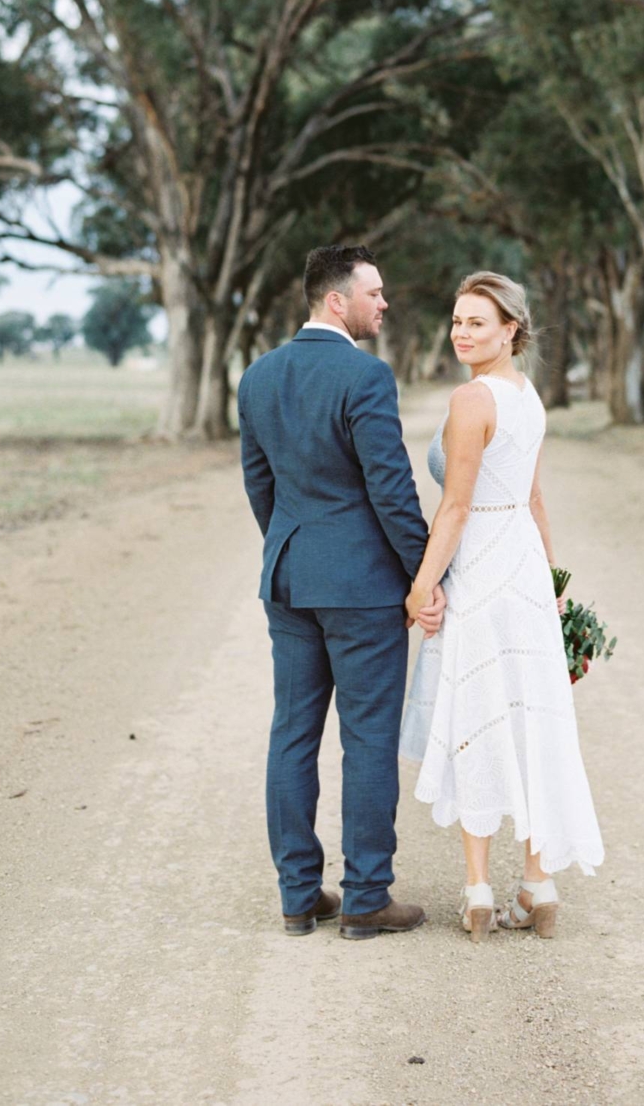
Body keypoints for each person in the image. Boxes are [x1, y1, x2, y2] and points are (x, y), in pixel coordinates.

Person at [238, 245, 446, 940]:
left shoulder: (258, 377)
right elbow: (391, 491)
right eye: (375, 293)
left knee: (292, 733)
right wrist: (425, 577)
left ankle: (299, 895)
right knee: (366, 738)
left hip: (291, 578)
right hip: (361, 587)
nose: (384, 303)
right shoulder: (365, 377)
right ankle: (364, 896)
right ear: (337, 300)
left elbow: (260, 487)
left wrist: (296, 549)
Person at [399, 271, 604, 940]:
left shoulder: (471, 399)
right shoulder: (529, 397)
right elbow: (535, 498)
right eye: (456, 320)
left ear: (510, 328)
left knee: (478, 718)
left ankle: (480, 888)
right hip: (521, 565)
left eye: (476, 322)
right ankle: (538, 883)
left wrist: (422, 586)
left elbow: (455, 507)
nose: (461, 332)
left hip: (485, 562)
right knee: (531, 719)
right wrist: (550, 582)